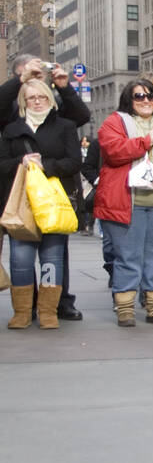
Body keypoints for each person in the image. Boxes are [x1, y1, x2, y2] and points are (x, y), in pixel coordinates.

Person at [95, 79, 153, 326]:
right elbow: (113, 152)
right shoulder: (115, 121)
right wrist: (147, 141)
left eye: (151, 97)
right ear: (129, 99)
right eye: (139, 96)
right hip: (127, 202)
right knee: (127, 257)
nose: (146, 101)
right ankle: (124, 308)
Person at [1, 79, 81, 329]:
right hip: (22, 203)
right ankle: (23, 312)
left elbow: (74, 161)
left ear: (50, 99)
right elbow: (1, 164)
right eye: (31, 98)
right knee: (20, 260)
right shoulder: (11, 130)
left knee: (52, 259)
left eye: (42, 97)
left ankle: (48, 311)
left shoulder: (65, 126)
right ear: (23, 102)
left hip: (54, 203)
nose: (37, 101)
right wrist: (21, 161)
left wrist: (45, 164)